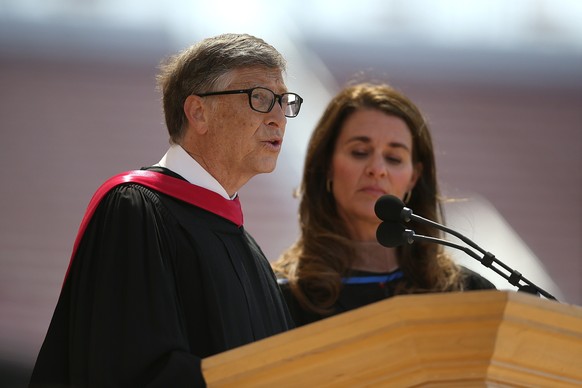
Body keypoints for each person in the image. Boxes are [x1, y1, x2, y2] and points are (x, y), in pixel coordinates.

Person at [29, 33, 303, 387]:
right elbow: (131, 368)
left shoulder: (248, 249)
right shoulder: (136, 209)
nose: (279, 118)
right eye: (261, 98)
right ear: (199, 112)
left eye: (284, 102)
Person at [273, 82, 494, 327]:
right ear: (327, 166)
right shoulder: (279, 295)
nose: (377, 170)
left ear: (414, 177)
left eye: (394, 158)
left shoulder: (468, 294)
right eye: (359, 152)